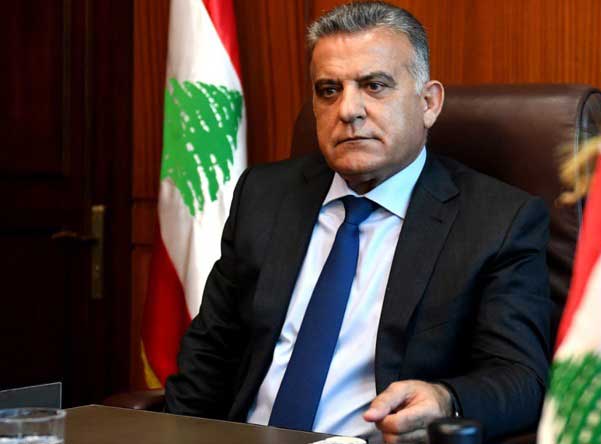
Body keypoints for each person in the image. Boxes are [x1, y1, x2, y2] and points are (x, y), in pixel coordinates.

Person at [165, 2, 553, 442]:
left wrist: (446, 399)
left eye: (374, 85)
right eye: (329, 90)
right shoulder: (264, 196)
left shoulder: (498, 222)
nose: (348, 109)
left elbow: (521, 379)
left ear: (428, 103)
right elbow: (210, 355)